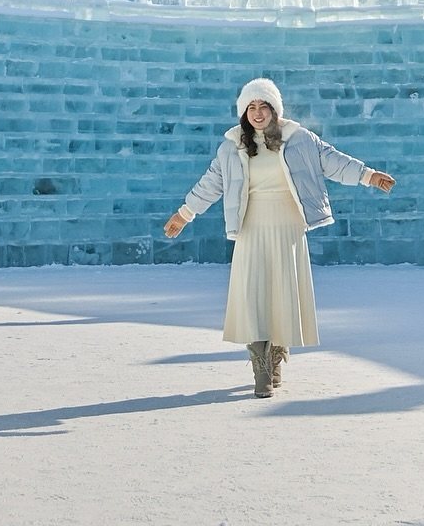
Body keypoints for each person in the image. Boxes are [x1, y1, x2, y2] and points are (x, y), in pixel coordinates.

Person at [162, 77, 396, 398]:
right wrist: (184, 214)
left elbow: (333, 161)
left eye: (263, 106)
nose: (257, 113)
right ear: (244, 113)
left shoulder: (299, 139)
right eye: (251, 107)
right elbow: (210, 184)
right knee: (254, 293)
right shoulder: (232, 147)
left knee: (282, 292)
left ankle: (276, 358)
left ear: (275, 109)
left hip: (287, 225)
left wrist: (368, 175)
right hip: (251, 225)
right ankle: (260, 365)